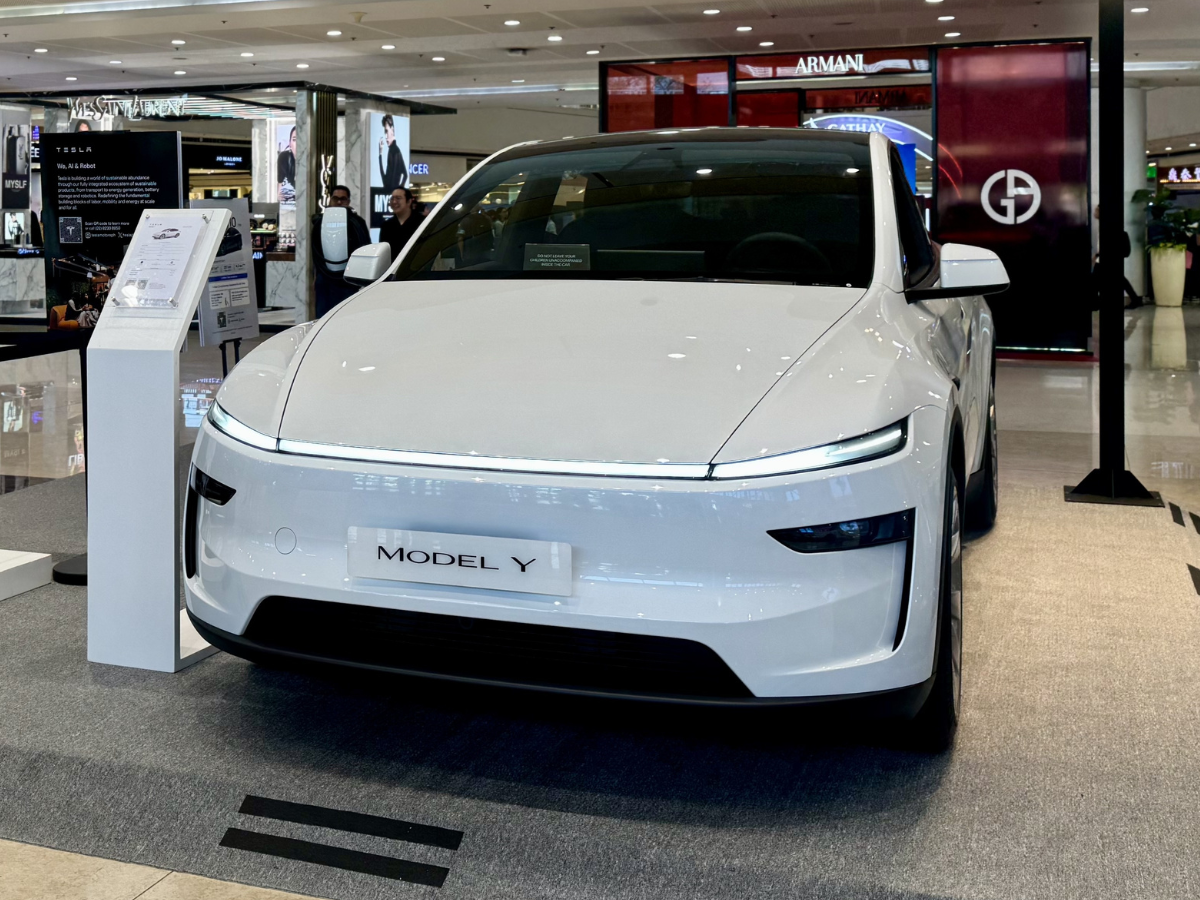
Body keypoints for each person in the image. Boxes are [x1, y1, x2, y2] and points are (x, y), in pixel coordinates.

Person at [312, 185, 370, 317]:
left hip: (348, 279)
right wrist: (316, 276)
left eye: (343, 199)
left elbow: (364, 246)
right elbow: (316, 251)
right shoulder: (321, 223)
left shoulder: (357, 223)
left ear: (348, 201)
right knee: (323, 316)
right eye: (335, 198)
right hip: (325, 278)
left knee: (346, 315)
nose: (339, 202)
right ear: (330, 200)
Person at [1093, 203, 1142, 309]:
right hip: (1108, 257)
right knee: (1118, 279)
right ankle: (1135, 299)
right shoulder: (1104, 224)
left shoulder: (1107, 226)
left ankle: (1135, 299)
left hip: (1110, 258)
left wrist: (1097, 255)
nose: (1094, 212)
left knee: (1103, 278)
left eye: (1096, 210)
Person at [379, 187, 420, 262]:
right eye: (392, 198)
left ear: (409, 201)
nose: (394, 202)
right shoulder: (387, 226)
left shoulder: (421, 223)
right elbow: (383, 253)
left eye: (398, 198)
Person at [378, 115, 407, 193]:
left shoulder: (394, 151)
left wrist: (399, 189)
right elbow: (405, 175)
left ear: (392, 130)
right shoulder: (394, 150)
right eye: (385, 132)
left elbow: (386, 182)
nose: (385, 136)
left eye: (386, 131)